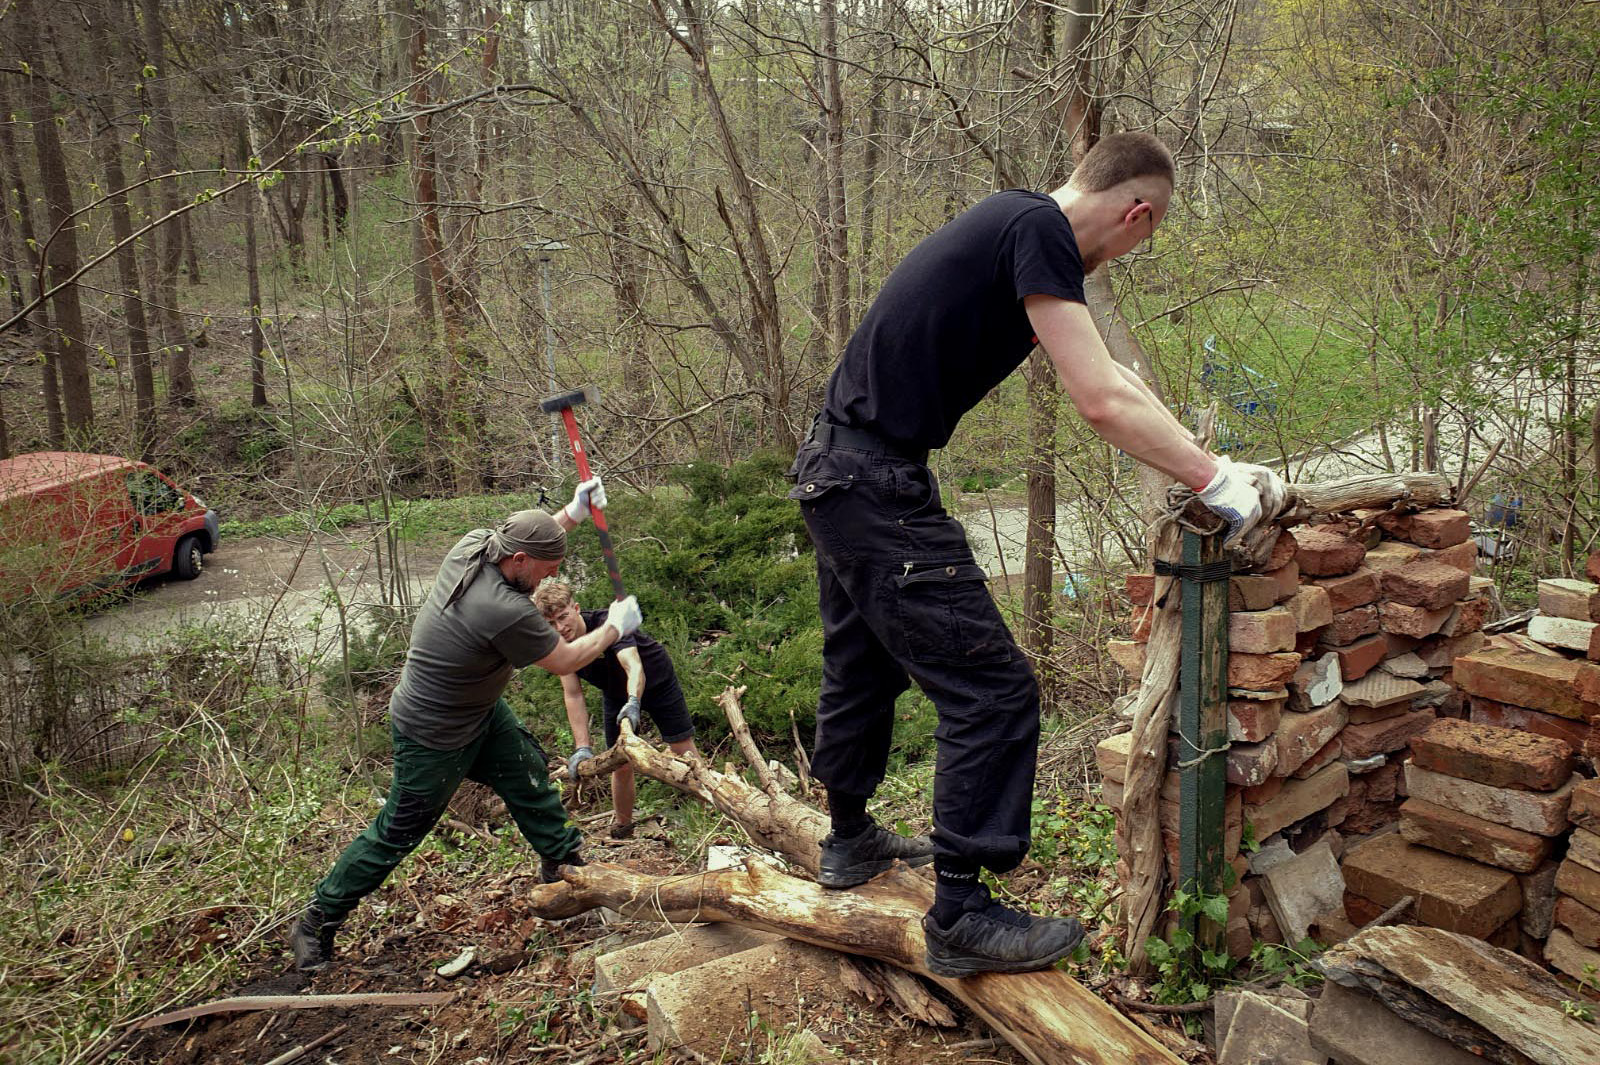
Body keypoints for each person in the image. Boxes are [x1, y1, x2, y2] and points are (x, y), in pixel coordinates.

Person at [789, 132, 1285, 978]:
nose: (1131, 250)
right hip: (872, 478)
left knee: (862, 665)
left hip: (837, 469)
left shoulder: (1012, 221)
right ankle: (961, 913)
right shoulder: (1040, 231)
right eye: (1146, 234)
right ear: (1138, 214)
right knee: (995, 689)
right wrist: (1216, 481)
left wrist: (1213, 465)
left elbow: (1116, 381)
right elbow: (1097, 401)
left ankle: (849, 839)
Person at [288, 479, 642, 973]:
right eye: (548, 569)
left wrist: (571, 513)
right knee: (398, 831)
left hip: (479, 711)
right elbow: (564, 661)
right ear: (519, 561)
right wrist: (614, 628)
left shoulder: (476, 543)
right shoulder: (501, 609)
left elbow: (532, 541)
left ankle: (565, 875)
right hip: (431, 731)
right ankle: (316, 922)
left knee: (529, 775)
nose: (550, 577)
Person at [534, 580, 699, 838]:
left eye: (563, 617)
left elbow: (633, 665)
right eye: (551, 623)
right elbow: (573, 694)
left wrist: (634, 701)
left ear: (575, 608)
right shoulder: (558, 644)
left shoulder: (608, 622)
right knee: (619, 761)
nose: (560, 627)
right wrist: (582, 747)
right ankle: (623, 825)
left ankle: (711, 809)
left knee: (681, 746)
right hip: (613, 691)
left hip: (655, 679)